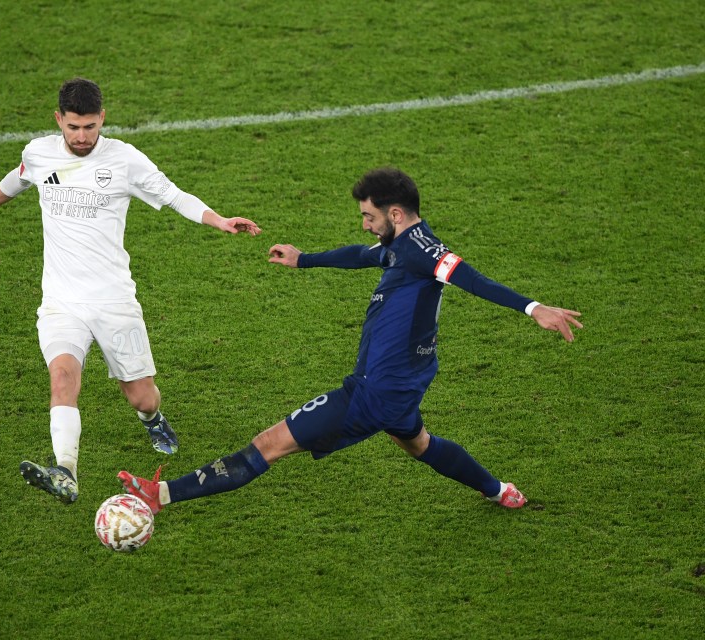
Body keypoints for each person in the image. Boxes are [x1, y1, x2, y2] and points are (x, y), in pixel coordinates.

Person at [119, 167, 582, 514]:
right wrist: (305, 260)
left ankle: (160, 495)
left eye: (368, 215)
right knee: (418, 443)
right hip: (401, 385)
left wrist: (533, 307)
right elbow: (365, 255)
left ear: (395, 214)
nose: (364, 223)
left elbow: (469, 277)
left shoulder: (425, 251)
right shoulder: (401, 244)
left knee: (268, 445)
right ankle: (499, 491)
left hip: (373, 392)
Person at [0, 77, 261, 505]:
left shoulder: (125, 160)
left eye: (91, 127)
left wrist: (219, 219)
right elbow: (20, 177)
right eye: (74, 127)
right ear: (58, 120)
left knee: (141, 394)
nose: (82, 137)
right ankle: (66, 471)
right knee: (62, 379)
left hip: (114, 301)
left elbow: (173, 196)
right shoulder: (39, 152)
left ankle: (152, 419)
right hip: (61, 301)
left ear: (103, 120)